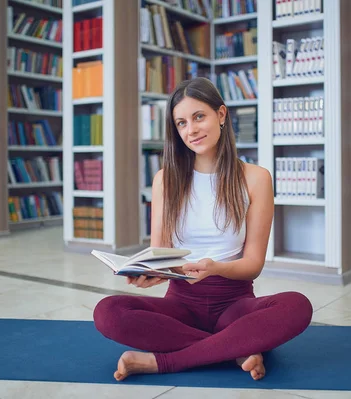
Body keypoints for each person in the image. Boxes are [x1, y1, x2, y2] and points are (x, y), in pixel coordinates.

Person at [93, 77, 313, 382]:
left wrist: (215, 268)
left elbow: (253, 266)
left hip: (235, 306)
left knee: (297, 306)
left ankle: (165, 361)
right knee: (108, 312)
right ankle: (236, 348)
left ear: (221, 115)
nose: (191, 130)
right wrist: (150, 274)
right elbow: (161, 256)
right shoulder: (165, 180)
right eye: (181, 123)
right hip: (181, 305)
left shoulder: (256, 178)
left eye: (199, 117)